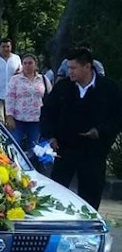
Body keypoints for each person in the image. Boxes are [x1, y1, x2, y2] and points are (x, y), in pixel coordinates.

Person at [40, 47, 122, 209]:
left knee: (91, 193)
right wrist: (50, 136)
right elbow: (47, 112)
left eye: (73, 68)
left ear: (87, 67)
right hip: (65, 149)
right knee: (58, 191)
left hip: (94, 151)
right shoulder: (63, 88)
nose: (69, 72)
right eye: (68, 68)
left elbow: (117, 117)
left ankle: (88, 227)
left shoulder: (108, 88)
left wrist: (100, 131)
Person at [5, 53, 51, 151]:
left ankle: (33, 166)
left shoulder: (43, 79)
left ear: (35, 65)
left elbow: (50, 98)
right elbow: (10, 98)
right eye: (25, 63)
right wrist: (9, 116)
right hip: (18, 119)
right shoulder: (15, 79)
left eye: (30, 63)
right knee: (14, 146)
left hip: (36, 120)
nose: (27, 66)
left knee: (34, 148)